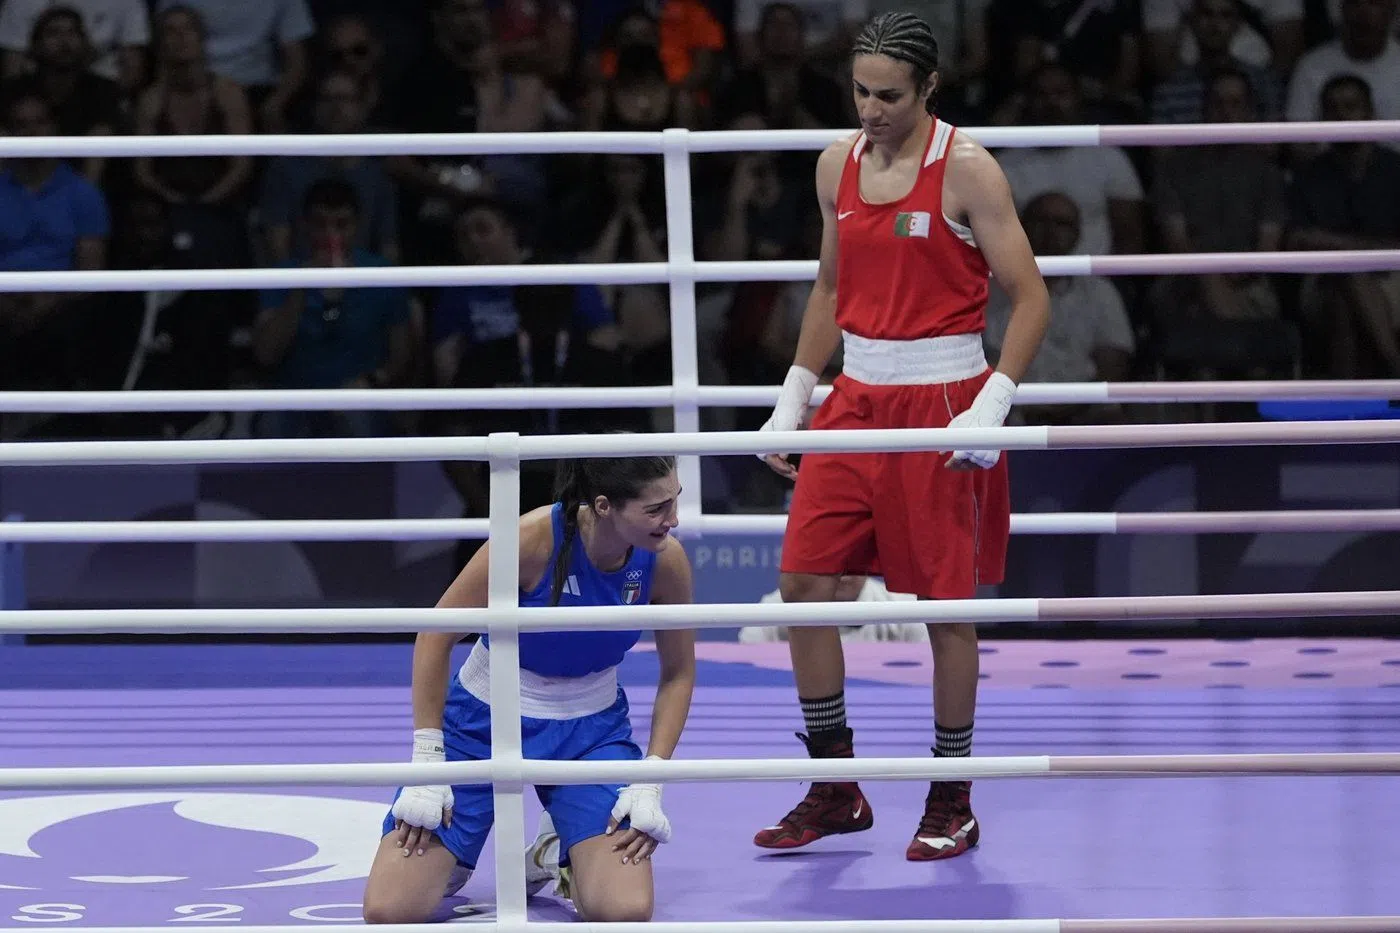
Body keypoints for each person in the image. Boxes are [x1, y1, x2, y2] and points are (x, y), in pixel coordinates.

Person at [752, 11, 1049, 862]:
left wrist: (993, 402)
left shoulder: (968, 169)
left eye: (889, 95)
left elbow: (1031, 296)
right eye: (859, 92)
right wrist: (794, 395)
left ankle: (952, 795)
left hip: (943, 400)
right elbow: (827, 286)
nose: (871, 110)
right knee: (804, 585)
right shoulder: (833, 163)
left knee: (945, 611)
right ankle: (835, 786)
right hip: (854, 399)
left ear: (928, 88)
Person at [362, 454, 696, 923]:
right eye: (657, 508)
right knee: (390, 909)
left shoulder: (666, 562)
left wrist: (651, 779)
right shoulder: (529, 541)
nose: (673, 519)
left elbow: (678, 672)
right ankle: (454, 861)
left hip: (592, 735)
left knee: (624, 910)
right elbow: (435, 635)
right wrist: (428, 759)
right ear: (604, 506)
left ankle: (555, 852)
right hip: (482, 723)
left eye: (675, 501)